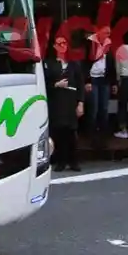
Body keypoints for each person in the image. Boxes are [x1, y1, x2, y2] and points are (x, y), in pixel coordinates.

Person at [44, 34, 85, 172]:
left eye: (64, 43)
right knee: (59, 133)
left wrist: (80, 103)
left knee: (72, 132)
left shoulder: (74, 64)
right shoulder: (49, 64)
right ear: (54, 46)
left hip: (71, 101)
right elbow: (45, 83)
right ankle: (61, 161)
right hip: (57, 102)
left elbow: (80, 84)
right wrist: (56, 85)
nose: (62, 46)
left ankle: (74, 161)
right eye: (59, 43)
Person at [83, 24, 117, 149]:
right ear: (99, 32)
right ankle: (92, 137)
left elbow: (111, 64)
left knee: (104, 109)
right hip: (93, 79)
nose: (108, 35)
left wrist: (114, 83)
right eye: (105, 32)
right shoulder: (89, 44)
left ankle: (103, 137)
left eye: (109, 33)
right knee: (94, 109)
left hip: (104, 80)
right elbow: (84, 63)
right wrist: (87, 81)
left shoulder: (108, 44)